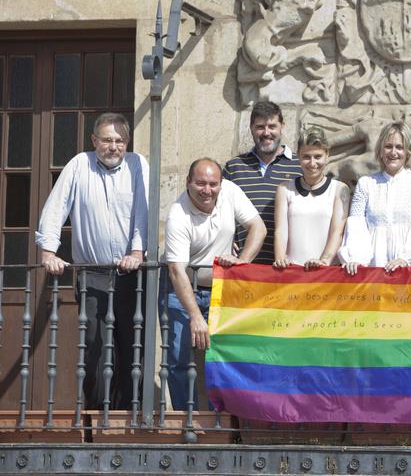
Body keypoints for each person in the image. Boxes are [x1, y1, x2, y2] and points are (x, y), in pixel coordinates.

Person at [36, 113, 148, 410]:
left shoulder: (138, 164)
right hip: (91, 273)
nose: (113, 147)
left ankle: (129, 418)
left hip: (130, 274)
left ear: (127, 142)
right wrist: (49, 251)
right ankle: (97, 416)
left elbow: (143, 213)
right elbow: (56, 207)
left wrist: (137, 252)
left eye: (119, 140)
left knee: (131, 347)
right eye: (107, 140)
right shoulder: (79, 164)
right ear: (94, 140)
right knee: (94, 351)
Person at [162, 158, 267, 410]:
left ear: (221, 184)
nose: (207, 190)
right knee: (177, 358)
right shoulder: (178, 213)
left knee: (220, 358)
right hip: (182, 288)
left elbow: (258, 227)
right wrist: (195, 316)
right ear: (188, 183)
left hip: (220, 289)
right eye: (200, 183)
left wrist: (241, 263)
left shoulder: (230, 191)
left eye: (212, 184)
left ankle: (217, 420)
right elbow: (176, 271)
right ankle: (184, 419)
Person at [339, 121, 411, 274]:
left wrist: (405, 259)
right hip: (373, 267)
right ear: (381, 150)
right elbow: (356, 224)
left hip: (410, 268)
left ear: (408, 150)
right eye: (388, 146)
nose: (393, 152)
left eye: (399, 147)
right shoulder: (366, 183)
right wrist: (356, 259)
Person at [223, 100, 301, 264]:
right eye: (260, 127)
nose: (266, 132)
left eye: (272, 126)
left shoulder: (300, 166)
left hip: (287, 266)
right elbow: (219, 210)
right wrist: (226, 239)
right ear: (251, 128)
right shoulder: (234, 167)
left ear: (282, 126)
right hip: (244, 264)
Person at [273, 126, 350, 268]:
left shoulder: (340, 189)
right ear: (298, 156)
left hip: (325, 273)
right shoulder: (284, 189)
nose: (312, 163)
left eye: (318, 156)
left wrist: (323, 262)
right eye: (306, 157)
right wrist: (280, 259)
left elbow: (337, 232)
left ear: (327, 155)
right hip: (291, 273)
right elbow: (280, 231)